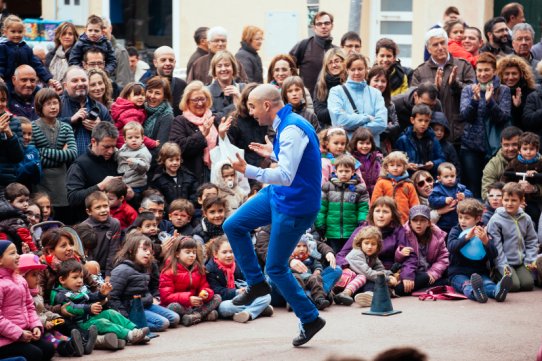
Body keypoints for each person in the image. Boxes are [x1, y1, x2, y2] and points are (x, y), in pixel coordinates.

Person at [223, 84, 325, 346]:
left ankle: (310, 318)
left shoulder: (291, 128)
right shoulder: (287, 123)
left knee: (276, 268)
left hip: (296, 205)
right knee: (233, 225)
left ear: (267, 105)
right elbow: (294, 162)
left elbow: (286, 176)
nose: (252, 113)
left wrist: (249, 170)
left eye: (253, 107)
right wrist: (273, 153)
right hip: (279, 195)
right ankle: (257, 284)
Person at [50, 259, 150, 345]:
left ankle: (135, 330)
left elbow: (91, 296)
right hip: (79, 324)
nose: (80, 280)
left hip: (89, 319)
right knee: (102, 322)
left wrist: (101, 294)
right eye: (75, 277)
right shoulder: (60, 294)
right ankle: (130, 335)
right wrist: (88, 308)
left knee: (111, 313)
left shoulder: (79, 289)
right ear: (62, 280)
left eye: (81, 277)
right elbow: (70, 307)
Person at [459, 52, 511, 199]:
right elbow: (464, 116)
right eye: (480, 70)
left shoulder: (503, 90)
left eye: (486, 70)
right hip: (471, 146)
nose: (482, 74)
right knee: (473, 188)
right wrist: (475, 101)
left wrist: (490, 102)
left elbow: (503, 117)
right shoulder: (469, 89)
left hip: (493, 147)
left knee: (493, 188)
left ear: (494, 71)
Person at [411, 28, 476, 146]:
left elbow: (473, 93)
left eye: (443, 43)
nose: (440, 47)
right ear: (428, 49)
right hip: (430, 133)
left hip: (459, 132)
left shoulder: (463, 65)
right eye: (435, 44)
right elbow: (415, 102)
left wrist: (455, 85)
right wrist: (434, 89)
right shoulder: (419, 71)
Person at [335, 197, 412, 293]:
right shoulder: (362, 230)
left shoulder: (398, 231)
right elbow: (342, 254)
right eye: (377, 211)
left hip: (387, 271)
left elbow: (410, 256)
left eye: (385, 212)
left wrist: (407, 275)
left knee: (419, 278)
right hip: (363, 272)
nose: (380, 215)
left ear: (392, 215)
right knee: (369, 282)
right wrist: (348, 267)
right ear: (372, 213)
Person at [109, 232, 180, 332]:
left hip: (146, 304)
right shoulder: (122, 270)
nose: (148, 253)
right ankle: (135, 326)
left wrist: (154, 298)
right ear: (131, 250)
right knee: (163, 323)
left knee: (175, 318)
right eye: (144, 249)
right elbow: (112, 296)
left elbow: (148, 288)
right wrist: (124, 317)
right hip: (131, 309)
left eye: (150, 251)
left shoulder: (146, 267)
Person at [448, 198, 512, 303]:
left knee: (487, 283)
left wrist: (486, 241)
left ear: (477, 219)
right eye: (460, 217)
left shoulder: (483, 232)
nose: (462, 221)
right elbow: (451, 247)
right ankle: (475, 293)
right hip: (458, 272)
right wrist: (466, 238)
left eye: (467, 218)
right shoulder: (455, 230)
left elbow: (494, 254)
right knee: (466, 285)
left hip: (479, 272)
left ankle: (497, 292)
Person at [0, 240, 55, 361]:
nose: (18, 256)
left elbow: (30, 306)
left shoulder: (20, 280)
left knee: (48, 349)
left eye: (17, 252)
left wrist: (35, 326)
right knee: (34, 354)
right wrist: (19, 334)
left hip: (23, 334)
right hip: (4, 340)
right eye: (12, 253)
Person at [169, 81, 229, 185]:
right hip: (193, 177)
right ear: (187, 102)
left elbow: (228, 148)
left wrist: (223, 135)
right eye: (195, 100)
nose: (200, 103)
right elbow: (178, 148)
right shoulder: (180, 121)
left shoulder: (216, 119)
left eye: (202, 99)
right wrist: (202, 135)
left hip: (218, 173)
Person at [31, 88, 77, 223]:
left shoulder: (66, 127)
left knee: (63, 221)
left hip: (61, 185)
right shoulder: (33, 127)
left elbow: (72, 154)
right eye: (48, 104)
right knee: (42, 219)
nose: (53, 107)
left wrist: (44, 151)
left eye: (55, 103)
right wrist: (61, 155)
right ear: (40, 106)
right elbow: (34, 156)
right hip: (41, 183)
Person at [205, 236, 273, 322]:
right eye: (224, 252)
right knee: (224, 308)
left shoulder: (238, 264)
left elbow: (247, 280)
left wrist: (247, 288)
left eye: (231, 251)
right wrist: (236, 292)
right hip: (227, 301)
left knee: (266, 297)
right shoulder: (210, 269)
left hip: (244, 297)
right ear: (215, 254)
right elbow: (216, 291)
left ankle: (248, 313)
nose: (229, 255)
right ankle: (260, 309)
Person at [487, 182, 538, 292]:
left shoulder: (526, 218)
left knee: (528, 284)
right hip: (503, 262)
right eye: (506, 200)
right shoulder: (495, 220)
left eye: (514, 200)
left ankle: (517, 273)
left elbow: (532, 240)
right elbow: (496, 246)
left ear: (521, 201)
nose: (509, 203)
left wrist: (530, 260)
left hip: (520, 262)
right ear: (502, 200)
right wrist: (502, 266)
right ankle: (495, 274)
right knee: (514, 286)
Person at [159, 236, 221, 326]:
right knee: (173, 307)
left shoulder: (199, 269)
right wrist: (188, 299)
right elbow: (166, 297)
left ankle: (194, 316)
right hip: (181, 305)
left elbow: (205, 286)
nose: (192, 255)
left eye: (194, 252)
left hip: (196, 304)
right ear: (177, 254)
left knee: (217, 297)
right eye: (187, 252)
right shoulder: (168, 272)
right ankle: (203, 315)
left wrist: (206, 293)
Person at [328, 53, 387, 145]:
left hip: (371, 152)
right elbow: (340, 120)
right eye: (353, 69)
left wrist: (351, 128)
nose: (356, 73)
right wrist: (366, 118)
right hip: (346, 149)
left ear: (366, 69)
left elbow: (381, 123)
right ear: (347, 70)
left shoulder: (376, 93)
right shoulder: (336, 92)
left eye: (360, 69)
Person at [315, 154, 369, 253]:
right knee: (334, 255)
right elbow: (322, 207)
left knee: (348, 256)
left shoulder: (360, 188)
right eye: (341, 171)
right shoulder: (327, 187)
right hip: (332, 231)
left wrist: (362, 221)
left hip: (351, 232)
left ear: (353, 171)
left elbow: (363, 207)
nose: (344, 174)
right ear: (335, 171)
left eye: (347, 171)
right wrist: (320, 223)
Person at [66, 121, 120, 218]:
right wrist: (100, 186)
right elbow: (73, 198)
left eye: (113, 146)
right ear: (93, 142)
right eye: (106, 147)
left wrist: (130, 194)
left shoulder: (117, 159)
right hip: (89, 224)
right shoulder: (79, 165)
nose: (111, 151)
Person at [60, 66, 112, 156]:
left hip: (94, 164)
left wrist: (100, 128)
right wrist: (70, 120)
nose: (80, 84)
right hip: (66, 165)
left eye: (83, 80)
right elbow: (46, 130)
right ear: (65, 86)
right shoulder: (57, 105)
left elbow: (113, 136)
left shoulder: (100, 108)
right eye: (75, 81)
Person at [398, 205, 449, 296]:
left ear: (429, 223)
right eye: (415, 220)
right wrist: (400, 253)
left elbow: (443, 257)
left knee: (448, 274)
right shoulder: (403, 233)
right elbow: (397, 258)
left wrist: (433, 273)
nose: (418, 223)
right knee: (400, 289)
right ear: (410, 222)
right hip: (411, 272)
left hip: (429, 271)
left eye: (422, 220)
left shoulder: (437, 235)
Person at [342, 225, 398, 306]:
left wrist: (390, 275)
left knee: (377, 280)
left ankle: (370, 295)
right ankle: (369, 295)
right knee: (370, 279)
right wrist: (387, 279)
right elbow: (368, 273)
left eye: (373, 244)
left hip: (361, 282)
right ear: (360, 243)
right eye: (366, 243)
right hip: (348, 283)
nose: (369, 247)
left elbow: (380, 269)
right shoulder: (356, 254)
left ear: (378, 246)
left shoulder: (373, 256)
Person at [0, 15, 59, 91]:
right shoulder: (3, 47)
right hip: (8, 83)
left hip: (26, 82)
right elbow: (1, 64)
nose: (17, 34)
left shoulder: (26, 48)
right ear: (5, 32)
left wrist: (48, 79)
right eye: (13, 31)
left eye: (20, 32)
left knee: (41, 93)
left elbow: (37, 65)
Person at [289, 11, 337, 95]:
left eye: (326, 23)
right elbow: (288, 66)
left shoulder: (336, 51)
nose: (323, 26)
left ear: (332, 26)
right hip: (307, 100)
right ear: (314, 27)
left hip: (329, 101)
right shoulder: (304, 45)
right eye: (319, 24)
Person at [501, 132, 542, 226]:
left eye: (531, 149)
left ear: (537, 150)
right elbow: (505, 178)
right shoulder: (514, 163)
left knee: (535, 214)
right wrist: (514, 186)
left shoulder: (540, 163)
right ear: (519, 150)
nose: (528, 152)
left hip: (534, 199)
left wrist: (537, 175)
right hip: (516, 198)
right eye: (525, 149)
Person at [227, 83, 271, 168]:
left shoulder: (267, 118)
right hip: (245, 169)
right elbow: (232, 150)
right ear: (245, 102)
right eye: (251, 104)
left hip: (267, 166)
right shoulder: (235, 121)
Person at [395, 104, 445, 175]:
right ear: (412, 120)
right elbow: (395, 161)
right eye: (420, 120)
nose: (423, 124)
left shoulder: (433, 139)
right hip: (409, 177)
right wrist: (407, 166)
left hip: (429, 177)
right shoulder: (403, 140)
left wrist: (433, 164)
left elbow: (442, 159)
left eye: (426, 121)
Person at [81, 191, 121, 278]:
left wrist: (109, 274)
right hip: (90, 270)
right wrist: (92, 272)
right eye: (98, 207)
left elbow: (113, 250)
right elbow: (85, 253)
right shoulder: (84, 227)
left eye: (105, 206)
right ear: (89, 211)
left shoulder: (114, 224)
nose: (103, 210)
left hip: (108, 269)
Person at [371, 151, 419, 224]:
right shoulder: (381, 182)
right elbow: (375, 202)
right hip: (385, 221)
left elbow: (415, 205)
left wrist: (414, 219)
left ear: (404, 167)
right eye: (392, 165)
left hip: (404, 222)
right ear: (387, 167)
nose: (395, 168)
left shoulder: (408, 184)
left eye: (399, 165)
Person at [140, 46, 187, 117]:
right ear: (155, 63)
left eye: (171, 60)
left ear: (174, 63)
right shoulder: (145, 84)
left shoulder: (182, 85)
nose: (168, 63)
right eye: (163, 60)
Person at [289, 234, 331, 310]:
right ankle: (295, 302)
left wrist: (317, 270)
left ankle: (319, 299)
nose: (302, 249)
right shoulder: (289, 258)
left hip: (309, 278)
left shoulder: (309, 257)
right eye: (298, 246)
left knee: (316, 278)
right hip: (296, 277)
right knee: (294, 279)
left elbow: (317, 264)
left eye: (304, 246)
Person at [429, 162, 473, 234]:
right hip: (443, 224)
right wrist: (444, 200)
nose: (450, 179)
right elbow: (432, 201)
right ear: (439, 178)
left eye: (452, 176)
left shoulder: (460, 187)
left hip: (459, 222)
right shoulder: (437, 189)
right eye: (446, 177)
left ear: (456, 176)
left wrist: (464, 195)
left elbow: (470, 194)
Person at [481, 126, 522, 200]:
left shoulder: (537, 160)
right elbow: (486, 194)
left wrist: (534, 188)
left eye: (515, 144)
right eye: (506, 145)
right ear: (501, 144)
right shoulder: (493, 165)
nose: (510, 149)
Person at [112, 82, 157, 150]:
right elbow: (135, 132)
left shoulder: (130, 108)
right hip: (125, 145)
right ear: (127, 96)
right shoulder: (130, 113)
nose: (140, 97)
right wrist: (153, 143)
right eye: (136, 95)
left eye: (142, 95)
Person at [366, 66, 400, 156]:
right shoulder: (362, 101)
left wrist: (378, 127)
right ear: (369, 81)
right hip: (364, 144)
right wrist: (384, 125)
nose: (380, 84)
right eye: (376, 80)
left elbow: (395, 126)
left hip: (383, 147)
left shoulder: (389, 104)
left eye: (383, 81)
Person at [496, 55, 536, 127]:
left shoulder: (530, 93)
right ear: (501, 75)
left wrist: (518, 107)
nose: (510, 77)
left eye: (514, 73)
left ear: (521, 75)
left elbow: (529, 122)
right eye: (507, 74)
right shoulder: (495, 92)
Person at [313, 48, 346, 128]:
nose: (334, 65)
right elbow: (320, 113)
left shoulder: (350, 81)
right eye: (330, 63)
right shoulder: (321, 85)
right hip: (329, 128)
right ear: (326, 66)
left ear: (344, 62)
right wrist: (338, 107)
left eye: (337, 61)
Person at [207, 50, 245, 121]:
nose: (223, 69)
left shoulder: (243, 88)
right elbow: (212, 120)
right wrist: (234, 106)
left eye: (227, 65)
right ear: (214, 70)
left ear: (233, 68)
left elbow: (253, 115)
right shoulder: (207, 92)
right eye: (219, 66)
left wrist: (241, 99)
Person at [349, 127, 382, 196]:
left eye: (368, 143)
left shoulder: (377, 158)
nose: (365, 146)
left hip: (376, 194)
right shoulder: (351, 159)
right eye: (361, 143)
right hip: (359, 195)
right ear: (355, 144)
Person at [101, 17, 131, 89]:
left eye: (104, 28)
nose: (101, 31)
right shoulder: (91, 51)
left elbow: (123, 84)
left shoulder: (120, 52)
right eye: (99, 29)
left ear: (110, 29)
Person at [430, 112, 460, 179]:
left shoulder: (449, 147)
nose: (439, 132)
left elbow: (455, 166)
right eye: (436, 130)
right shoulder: (426, 143)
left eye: (442, 130)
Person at [15, 117, 41, 189]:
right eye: (23, 133)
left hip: (28, 190)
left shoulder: (33, 150)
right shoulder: (10, 150)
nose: (27, 137)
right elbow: (16, 175)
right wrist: (31, 165)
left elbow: (37, 178)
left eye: (29, 134)